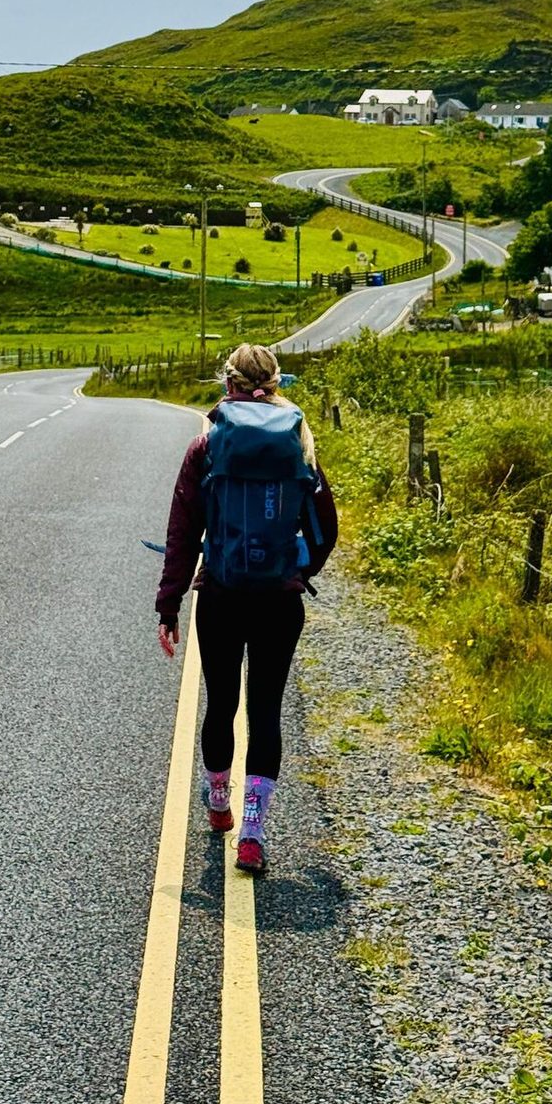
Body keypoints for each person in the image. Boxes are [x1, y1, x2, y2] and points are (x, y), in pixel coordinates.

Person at [156, 343, 339, 874]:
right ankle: (254, 835)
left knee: (220, 704)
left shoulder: (207, 445)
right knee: (266, 711)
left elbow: (183, 533)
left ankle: (218, 804)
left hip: (221, 595)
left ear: (227, 383)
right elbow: (325, 531)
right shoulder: (299, 443)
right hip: (278, 602)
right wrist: (298, 571)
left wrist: (169, 605)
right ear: (277, 382)